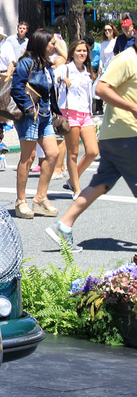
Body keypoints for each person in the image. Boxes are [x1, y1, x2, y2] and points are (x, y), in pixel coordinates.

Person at [47, 43, 137, 251]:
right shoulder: (126, 59)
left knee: (100, 184)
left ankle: (64, 225)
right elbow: (101, 88)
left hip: (118, 136)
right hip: (125, 135)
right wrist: (132, 107)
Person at [11, 28, 61, 219]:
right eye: (52, 43)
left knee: (53, 154)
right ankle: (21, 201)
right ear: (42, 43)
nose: (55, 46)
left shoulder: (46, 65)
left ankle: (40, 198)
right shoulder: (26, 62)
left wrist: (54, 110)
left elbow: (49, 91)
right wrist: (30, 109)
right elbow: (16, 88)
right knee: (28, 157)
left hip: (45, 115)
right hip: (30, 115)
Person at [54, 40, 99, 199]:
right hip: (69, 113)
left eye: (84, 51)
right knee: (73, 153)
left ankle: (73, 180)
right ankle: (77, 189)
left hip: (85, 114)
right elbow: (55, 76)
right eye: (79, 50)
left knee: (93, 151)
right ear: (72, 53)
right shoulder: (65, 68)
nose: (82, 53)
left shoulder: (87, 71)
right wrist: (61, 79)